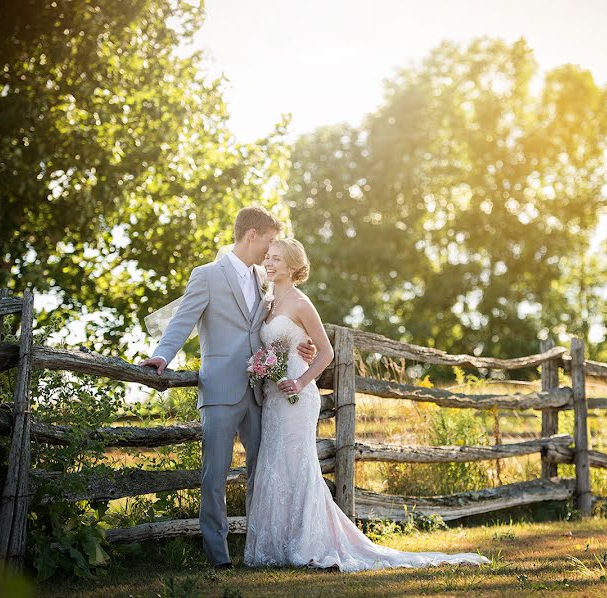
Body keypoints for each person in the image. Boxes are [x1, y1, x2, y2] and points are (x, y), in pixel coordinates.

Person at [243, 238, 489, 571]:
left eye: (275, 259)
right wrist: (264, 366)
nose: (268, 263)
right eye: (267, 258)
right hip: (274, 397)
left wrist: (301, 381)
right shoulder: (269, 300)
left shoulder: (301, 303)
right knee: (275, 466)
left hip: (297, 397)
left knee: (297, 466)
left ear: (292, 266)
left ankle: (305, 543)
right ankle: (273, 547)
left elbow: (326, 352)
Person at [139, 206, 315, 568]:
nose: (270, 251)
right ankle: (218, 557)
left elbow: (272, 328)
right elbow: (182, 321)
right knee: (214, 475)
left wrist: (301, 345)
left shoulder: (261, 280)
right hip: (219, 390)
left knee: (263, 473)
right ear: (252, 235)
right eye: (268, 241)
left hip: (258, 390)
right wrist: (162, 356)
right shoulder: (206, 275)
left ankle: (260, 548)